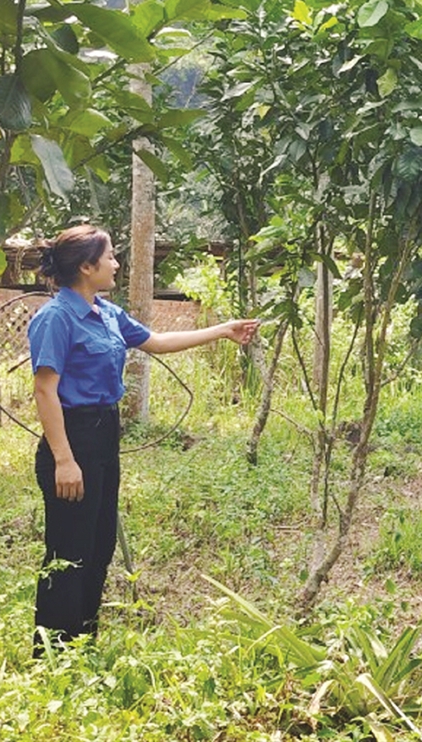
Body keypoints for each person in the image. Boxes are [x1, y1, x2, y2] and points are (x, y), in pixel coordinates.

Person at [27, 224, 258, 655]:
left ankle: (82, 644)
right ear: (86, 266)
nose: (116, 263)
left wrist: (222, 330)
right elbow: (45, 390)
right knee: (68, 551)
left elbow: (158, 341)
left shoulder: (107, 313)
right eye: (110, 256)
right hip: (71, 439)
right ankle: (51, 657)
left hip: (103, 437)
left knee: (99, 546)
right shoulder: (55, 319)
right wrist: (64, 459)